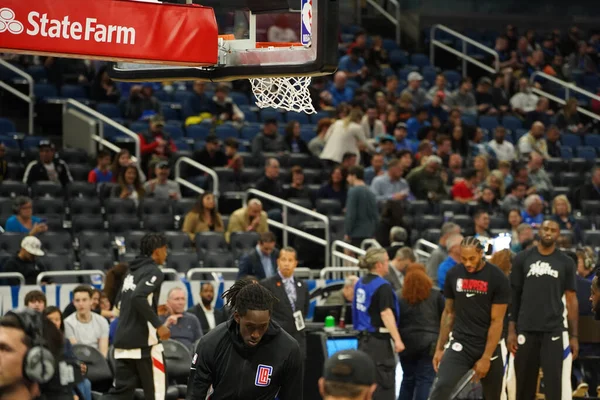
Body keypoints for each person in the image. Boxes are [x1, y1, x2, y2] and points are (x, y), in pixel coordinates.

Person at [186, 279, 303, 400]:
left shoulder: (288, 349)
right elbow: (195, 395)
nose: (256, 334)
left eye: (263, 326)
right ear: (237, 317)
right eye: (250, 327)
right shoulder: (211, 343)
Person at [428, 237, 510, 400]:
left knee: (493, 396)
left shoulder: (497, 278)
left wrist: (486, 357)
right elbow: (449, 313)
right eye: (463, 259)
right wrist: (440, 348)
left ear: (481, 253)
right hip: (461, 343)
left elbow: (497, 321)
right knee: (441, 387)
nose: (467, 263)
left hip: (488, 345)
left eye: (472, 258)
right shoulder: (453, 274)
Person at [508, 219, 579, 400]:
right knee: (524, 386)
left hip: (553, 330)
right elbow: (514, 296)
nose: (548, 232)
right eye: (545, 228)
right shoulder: (522, 258)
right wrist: (511, 330)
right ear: (539, 231)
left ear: (558, 234)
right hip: (526, 328)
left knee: (554, 387)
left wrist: (574, 336)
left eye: (553, 230)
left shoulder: (566, 262)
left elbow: (571, 300)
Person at [104, 233, 171, 400]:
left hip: (123, 344)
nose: (166, 254)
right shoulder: (154, 271)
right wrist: (159, 324)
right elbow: (138, 297)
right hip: (145, 345)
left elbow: (120, 305)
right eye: (165, 250)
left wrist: (153, 310)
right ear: (156, 251)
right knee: (157, 394)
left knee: (120, 394)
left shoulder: (130, 272)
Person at [353, 247, 405, 400]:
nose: (389, 264)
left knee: (366, 386)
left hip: (363, 342)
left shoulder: (360, 282)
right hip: (378, 344)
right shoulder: (382, 286)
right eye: (387, 260)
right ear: (379, 265)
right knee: (383, 386)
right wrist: (397, 339)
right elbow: (386, 314)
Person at [397, 265, 444, 400]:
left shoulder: (399, 296)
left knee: (407, 379)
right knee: (425, 380)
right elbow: (445, 318)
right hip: (430, 344)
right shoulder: (436, 294)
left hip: (406, 344)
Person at [261, 247, 310, 357]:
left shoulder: (303, 286)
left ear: (295, 263)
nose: (286, 264)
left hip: (298, 340)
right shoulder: (267, 284)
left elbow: (304, 310)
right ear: (278, 261)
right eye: (283, 260)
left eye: (290, 260)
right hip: (276, 340)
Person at [44, 306, 93, 400]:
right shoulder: (39, 341)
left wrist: (81, 366)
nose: (54, 322)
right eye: (50, 319)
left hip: (66, 376)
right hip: (51, 379)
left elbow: (73, 360)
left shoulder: (65, 341)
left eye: (57, 319)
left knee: (85, 382)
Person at [64, 285, 109, 357]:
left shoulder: (102, 322)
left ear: (91, 301)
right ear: (73, 302)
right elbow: (77, 351)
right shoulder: (67, 323)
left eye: (84, 300)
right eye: (77, 300)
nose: (81, 304)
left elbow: (103, 352)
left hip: (98, 363)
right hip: (78, 363)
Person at [345, 166, 378, 247]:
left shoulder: (353, 191)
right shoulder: (370, 191)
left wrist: (347, 232)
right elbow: (375, 214)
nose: (347, 179)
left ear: (354, 176)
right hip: (370, 232)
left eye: (348, 176)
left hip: (357, 232)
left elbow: (351, 214)